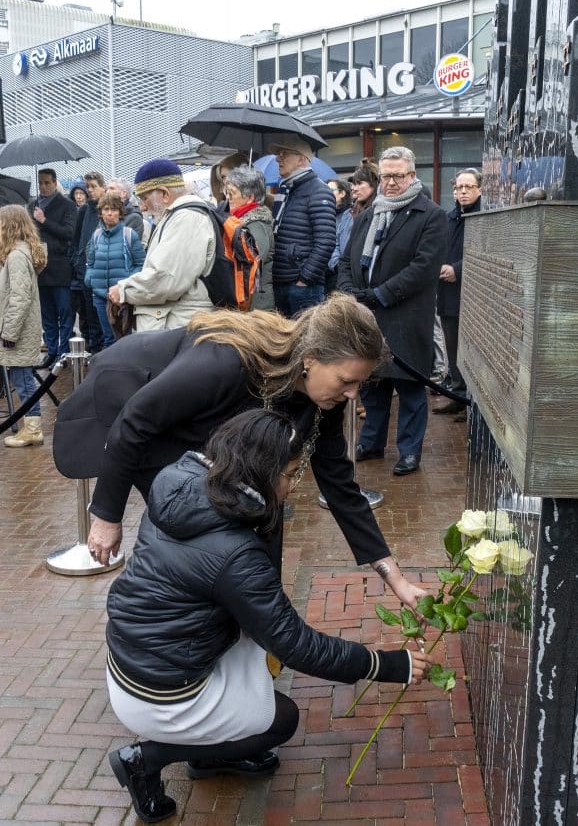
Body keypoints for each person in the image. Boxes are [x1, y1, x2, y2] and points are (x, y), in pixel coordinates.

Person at [104, 409, 432, 823]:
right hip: (161, 692)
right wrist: (387, 665)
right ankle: (146, 758)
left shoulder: (179, 480)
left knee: (262, 657)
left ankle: (209, 758)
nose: (293, 487)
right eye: (291, 474)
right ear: (260, 472)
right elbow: (295, 644)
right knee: (279, 722)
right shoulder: (234, 551)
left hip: (129, 661)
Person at [54, 293, 426, 613]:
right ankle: (177, 640)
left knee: (260, 513)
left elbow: (341, 489)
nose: (353, 395)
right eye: (347, 381)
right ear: (310, 358)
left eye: (360, 383)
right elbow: (135, 421)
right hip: (142, 417)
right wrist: (106, 515)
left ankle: (254, 632)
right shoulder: (227, 362)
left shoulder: (322, 398)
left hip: (200, 437)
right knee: (190, 530)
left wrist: (394, 577)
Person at [338, 146, 446, 476]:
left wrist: (380, 294)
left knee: (411, 390)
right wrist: (349, 292)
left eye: (398, 176)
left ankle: (409, 451)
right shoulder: (368, 214)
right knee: (372, 387)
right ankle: (371, 442)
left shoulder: (430, 215)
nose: (391, 183)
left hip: (406, 318)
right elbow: (346, 260)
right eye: (385, 176)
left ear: (412, 176)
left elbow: (423, 267)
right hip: (368, 317)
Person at [108, 159, 215, 331]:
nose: (142, 207)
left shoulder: (186, 218)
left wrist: (123, 290)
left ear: (165, 194)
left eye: (145, 198)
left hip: (177, 328)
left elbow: (165, 278)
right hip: (173, 326)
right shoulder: (178, 216)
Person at [433, 168, 482, 422]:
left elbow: (485, 253)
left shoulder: (485, 215)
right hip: (447, 294)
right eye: (458, 188)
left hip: (473, 295)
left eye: (468, 187)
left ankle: (472, 401)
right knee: (452, 348)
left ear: (479, 189)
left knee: (472, 350)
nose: (462, 192)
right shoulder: (448, 217)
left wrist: (457, 270)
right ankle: (457, 396)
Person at [269, 135, 335, 317]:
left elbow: (327, 241)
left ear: (301, 159)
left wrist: (304, 280)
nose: (277, 158)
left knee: (306, 343)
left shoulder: (318, 191)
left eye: (284, 154)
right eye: (278, 154)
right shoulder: (285, 190)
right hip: (282, 283)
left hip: (303, 288)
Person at [0, 206, 47, 448]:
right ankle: (31, 426)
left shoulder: (17, 256)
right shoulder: (20, 252)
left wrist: (9, 331)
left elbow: (19, 296)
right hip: (22, 327)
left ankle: (32, 428)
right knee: (22, 376)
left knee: (23, 378)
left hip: (19, 329)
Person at [28, 168, 77, 365]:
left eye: (47, 182)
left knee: (64, 312)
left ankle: (63, 352)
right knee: (47, 314)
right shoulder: (32, 205)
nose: (43, 186)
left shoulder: (67, 205)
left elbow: (68, 233)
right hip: (40, 268)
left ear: (55, 182)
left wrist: (44, 220)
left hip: (60, 267)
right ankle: (52, 350)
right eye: (40, 183)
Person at [84, 193, 146, 348]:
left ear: (120, 212)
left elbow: (141, 264)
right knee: (108, 339)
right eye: (106, 209)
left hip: (121, 297)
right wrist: (90, 278)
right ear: (100, 213)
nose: (109, 213)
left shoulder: (128, 235)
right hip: (100, 295)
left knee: (124, 339)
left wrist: (126, 283)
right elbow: (90, 261)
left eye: (113, 209)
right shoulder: (97, 235)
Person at [223, 165, 275, 311]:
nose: (227, 198)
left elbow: (252, 260)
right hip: (248, 301)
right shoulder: (237, 221)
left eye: (232, 193)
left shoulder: (256, 223)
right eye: (227, 193)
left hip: (256, 306)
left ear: (249, 197)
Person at [69, 170, 108, 352]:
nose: (90, 190)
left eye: (94, 186)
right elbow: (76, 239)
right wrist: (76, 261)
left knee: (105, 316)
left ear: (103, 187)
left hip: (104, 271)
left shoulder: (108, 209)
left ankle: (105, 350)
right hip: (85, 271)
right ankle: (94, 349)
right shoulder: (84, 210)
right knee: (89, 315)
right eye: (88, 187)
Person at [325, 177, 353, 294]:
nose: (326, 194)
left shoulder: (349, 215)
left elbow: (344, 247)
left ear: (342, 193)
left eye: (330, 190)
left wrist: (337, 265)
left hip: (339, 274)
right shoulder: (326, 213)